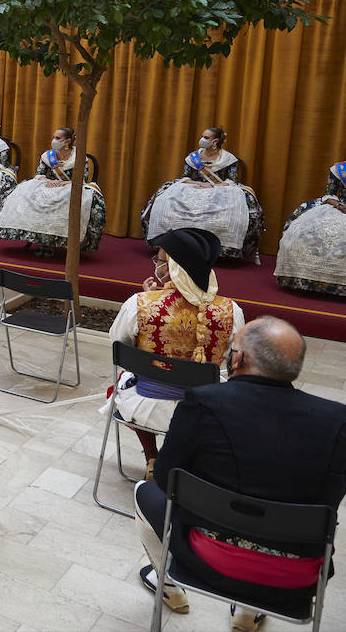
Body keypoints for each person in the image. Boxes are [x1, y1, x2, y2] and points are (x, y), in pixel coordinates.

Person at [133, 317, 346, 630]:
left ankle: (167, 583)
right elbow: (329, 498)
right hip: (296, 574)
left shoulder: (204, 401)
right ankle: (248, 612)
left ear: (239, 358)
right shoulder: (337, 421)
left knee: (144, 490)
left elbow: (166, 478)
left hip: (207, 557)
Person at [102, 228, 243, 480]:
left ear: (171, 268)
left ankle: (152, 457)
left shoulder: (140, 303)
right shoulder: (232, 311)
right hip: (205, 411)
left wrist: (147, 298)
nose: (156, 264)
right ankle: (181, 461)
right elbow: (235, 360)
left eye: (158, 260)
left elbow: (118, 344)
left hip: (148, 406)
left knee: (122, 383)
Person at [141, 127, 265, 263]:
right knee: (165, 201)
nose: (202, 139)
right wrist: (199, 185)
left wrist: (214, 186)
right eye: (202, 136)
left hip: (221, 189)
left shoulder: (229, 159)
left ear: (215, 141)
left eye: (206, 138)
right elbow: (185, 178)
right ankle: (172, 245)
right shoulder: (193, 158)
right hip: (193, 187)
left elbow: (231, 181)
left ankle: (218, 250)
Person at [0, 126, 106, 253]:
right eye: (54, 137)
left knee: (72, 201)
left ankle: (56, 240)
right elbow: (39, 175)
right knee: (25, 196)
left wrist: (62, 184)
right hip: (48, 185)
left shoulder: (79, 157)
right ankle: (36, 236)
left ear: (67, 141)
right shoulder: (48, 156)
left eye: (58, 138)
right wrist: (50, 181)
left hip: (69, 187)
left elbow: (81, 179)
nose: (54, 140)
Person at [274, 161, 346, 297]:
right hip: (339, 207)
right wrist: (340, 206)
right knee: (305, 231)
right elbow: (329, 194)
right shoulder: (339, 169)